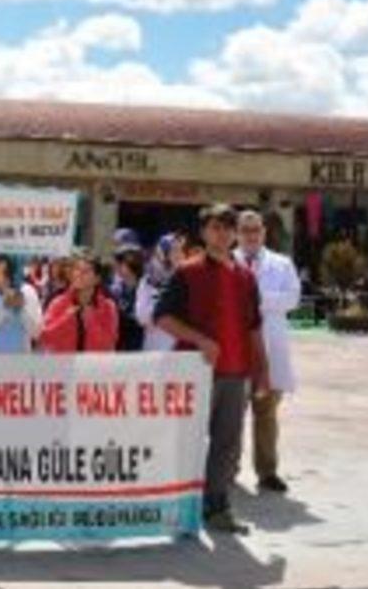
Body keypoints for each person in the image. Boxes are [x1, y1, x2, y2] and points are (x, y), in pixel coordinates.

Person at [155, 203, 270, 534]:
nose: (221, 234)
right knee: (187, 440)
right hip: (194, 371)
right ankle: (177, 505)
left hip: (236, 372)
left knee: (227, 444)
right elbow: (162, 317)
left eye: (227, 227)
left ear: (235, 234)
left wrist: (262, 371)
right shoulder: (187, 272)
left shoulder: (246, 277)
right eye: (214, 227)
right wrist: (200, 340)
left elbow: (254, 327)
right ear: (203, 233)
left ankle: (217, 507)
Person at [234, 210, 301, 494]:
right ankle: (228, 470)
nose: (251, 235)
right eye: (245, 230)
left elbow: (292, 298)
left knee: (267, 415)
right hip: (237, 351)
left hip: (271, 349)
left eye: (255, 229)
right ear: (237, 233)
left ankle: (267, 472)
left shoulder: (282, 264)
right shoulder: (227, 262)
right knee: (231, 417)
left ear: (263, 232)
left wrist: (256, 298)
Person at [39, 251, 118, 353]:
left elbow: (108, 343)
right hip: (64, 362)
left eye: (86, 271)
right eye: (77, 269)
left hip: (93, 362)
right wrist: (66, 317)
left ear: (97, 279)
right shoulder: (58, 303)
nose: (79, 274)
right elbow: (46, 337)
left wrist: (91, 320)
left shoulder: (108, 307)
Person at [136, 233, 186, 352]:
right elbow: (141, 316)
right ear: (164, 253)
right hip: (157, 347)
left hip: (183, 349)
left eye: (182, 250)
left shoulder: (190, 279)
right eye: (175, 250)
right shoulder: (149, 281)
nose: (180, 255)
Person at [111, 246, 146, 351]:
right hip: (120, 346)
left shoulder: (147, 288)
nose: (116, 267)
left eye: (120, 263)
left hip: (141, 346)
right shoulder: (115, 290)